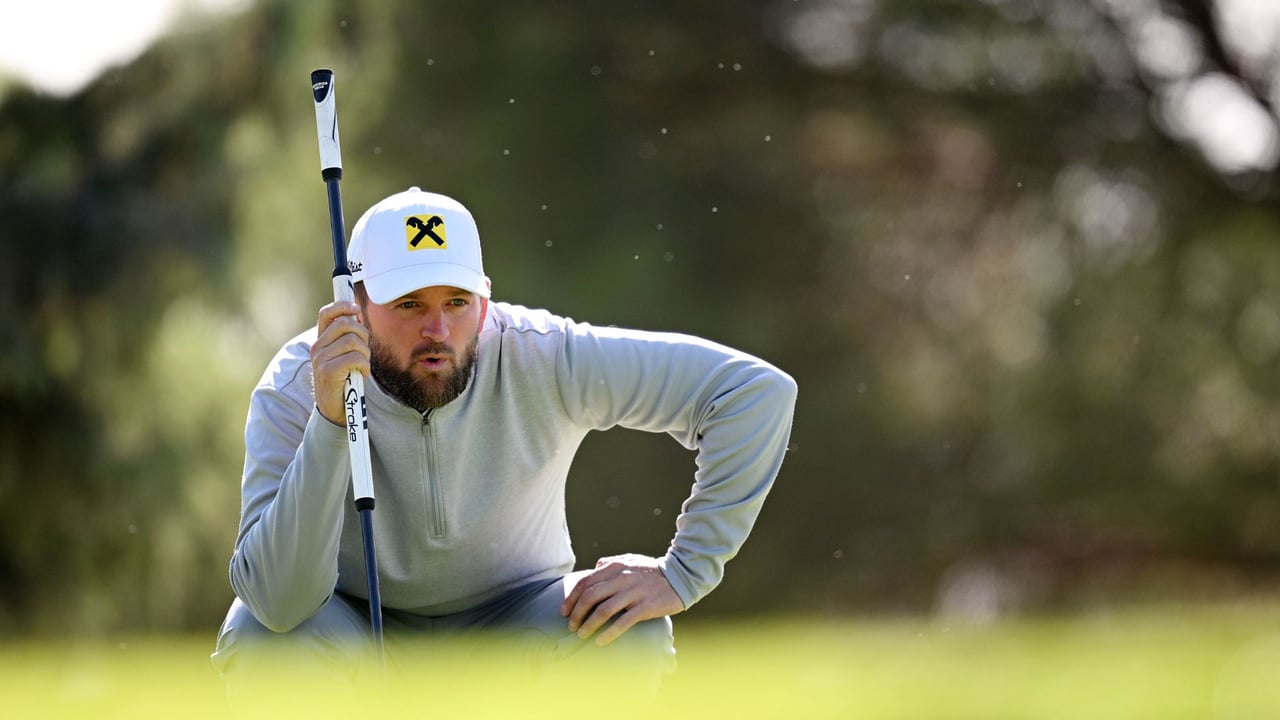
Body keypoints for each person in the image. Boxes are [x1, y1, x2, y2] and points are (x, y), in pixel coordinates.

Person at [211, 187, 797, 699]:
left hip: (519, 626)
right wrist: (332, 423)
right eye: (409, 304)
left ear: (485, 302)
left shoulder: (544, 353)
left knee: (626, 628)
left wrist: (683, 573)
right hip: (354, 632)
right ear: (356, 307)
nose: (437, 331)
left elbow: (753, 393)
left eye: (457, 303)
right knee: (261, 634)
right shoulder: (297, 383)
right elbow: (277, 602)